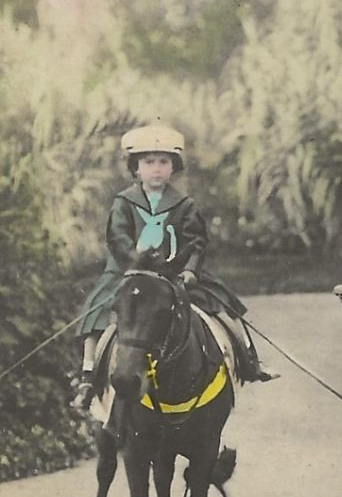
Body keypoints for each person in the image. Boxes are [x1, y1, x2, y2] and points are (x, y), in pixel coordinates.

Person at [72, 123, 275, 409]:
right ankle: (88, 375)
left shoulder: (183, 205)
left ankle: (248, 359)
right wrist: (135, 260)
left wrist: (190, 269)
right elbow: (117, 238)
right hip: (129, 273)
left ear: (172, 167)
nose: (156, 169)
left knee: (224, 308)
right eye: (148, 162)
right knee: (98, 315)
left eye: (163, 162)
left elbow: (196, 240)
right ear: (136, 169)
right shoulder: (124, 203)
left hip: (174, 275)